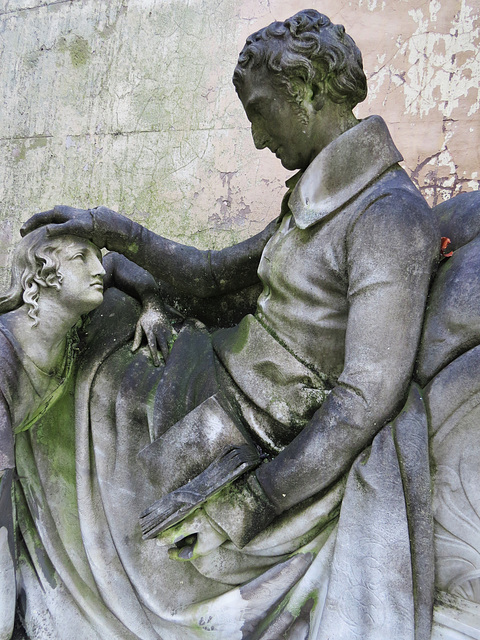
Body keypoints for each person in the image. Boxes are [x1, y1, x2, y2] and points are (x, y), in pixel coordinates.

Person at [21, 10, 440, 639]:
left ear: (309, 93)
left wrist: (254, 501)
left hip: (246, 428)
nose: (255, 138)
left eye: (260, 110)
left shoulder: (387, 217)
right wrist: (114, 232)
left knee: (89, 376)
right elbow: (214, 274)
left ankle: (71, 594)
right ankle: (43, 578)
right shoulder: (320, 195)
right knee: (92, 320)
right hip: (219, 374)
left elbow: (366, 394)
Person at [0, 228, 172, 640]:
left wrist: (151, 307)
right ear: (43, 274)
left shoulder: (59, 326)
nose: (97, 268)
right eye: (81, 258)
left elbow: (115, 265)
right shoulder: (5, 353)